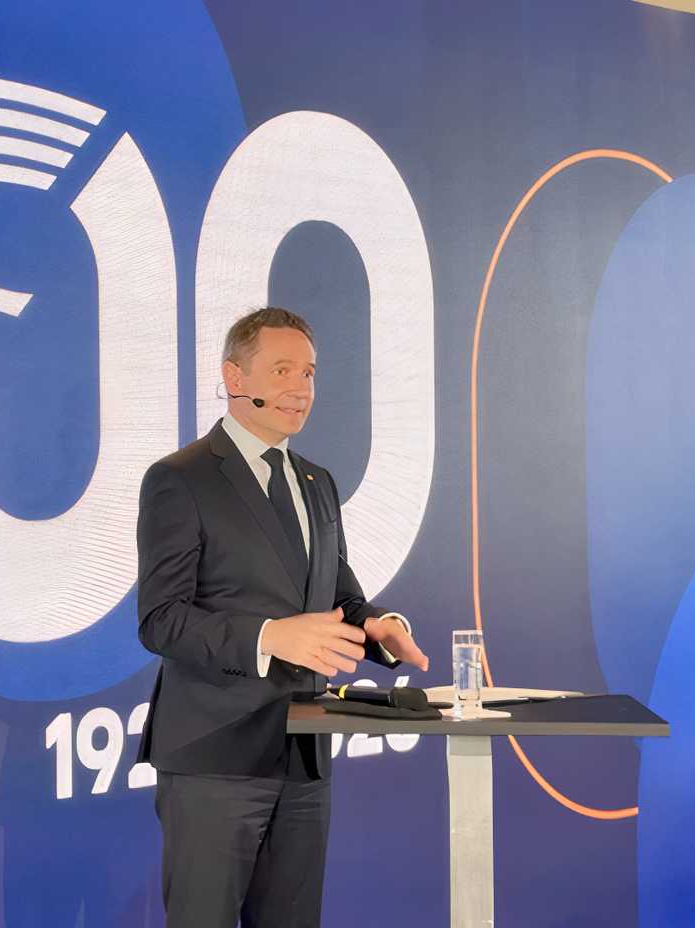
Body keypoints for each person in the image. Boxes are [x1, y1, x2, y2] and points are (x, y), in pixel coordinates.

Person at [133, 307, 430, 927]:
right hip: (214, 757)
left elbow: (338, 591)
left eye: (311, 373)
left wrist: (376, 625)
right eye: (283, 370)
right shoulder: (180, 479)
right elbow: (161, 620)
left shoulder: (317, 482)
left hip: (303, 751)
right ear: (235, 378)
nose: (302, 389)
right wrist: (270, 637)